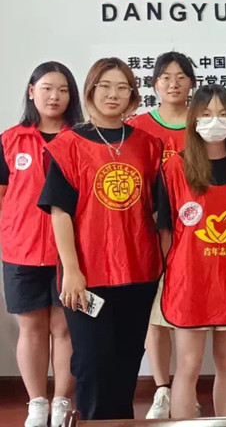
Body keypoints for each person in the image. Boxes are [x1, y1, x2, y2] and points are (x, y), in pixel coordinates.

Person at [37, 57, 163, 420]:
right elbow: (60, 212)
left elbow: (157, 212)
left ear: (132, 95)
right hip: (87, 275)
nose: (113, 94)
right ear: (91, 91)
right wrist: (72, 270)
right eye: (105, 86)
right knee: (92, 363)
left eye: (122, 87)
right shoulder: (69, 144)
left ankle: (121, 422)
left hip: (139, 271)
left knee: (127, 360)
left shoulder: (148, 145)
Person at [157, 85, 226, 418]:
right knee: (188, 366)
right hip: (189, 282)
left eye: (223, 114)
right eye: (206, 114)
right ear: (193, 119)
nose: (215, 121)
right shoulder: (175, 167)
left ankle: (224, 423)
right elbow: (165, 230)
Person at [0, 62, 82, 427]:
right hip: (21, 250)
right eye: (47, 88)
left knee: (65, 329)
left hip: (72, 254)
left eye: (63, 90)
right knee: (31, 329)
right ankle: (36, 403)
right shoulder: (9, 140)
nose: (54, 96)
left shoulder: (80, 139)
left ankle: (61, 401)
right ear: (32, 91)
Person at [127, 51, 196, 420]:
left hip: (196, 236)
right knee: (155, 315)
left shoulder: (202, 122)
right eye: (166, 77)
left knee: (188, 316)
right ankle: (162, 389)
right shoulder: (138, 127)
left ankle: (187, 389)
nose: (173, 83)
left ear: (192, 83)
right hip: (148, 234)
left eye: (181, 76)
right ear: (154, 83)